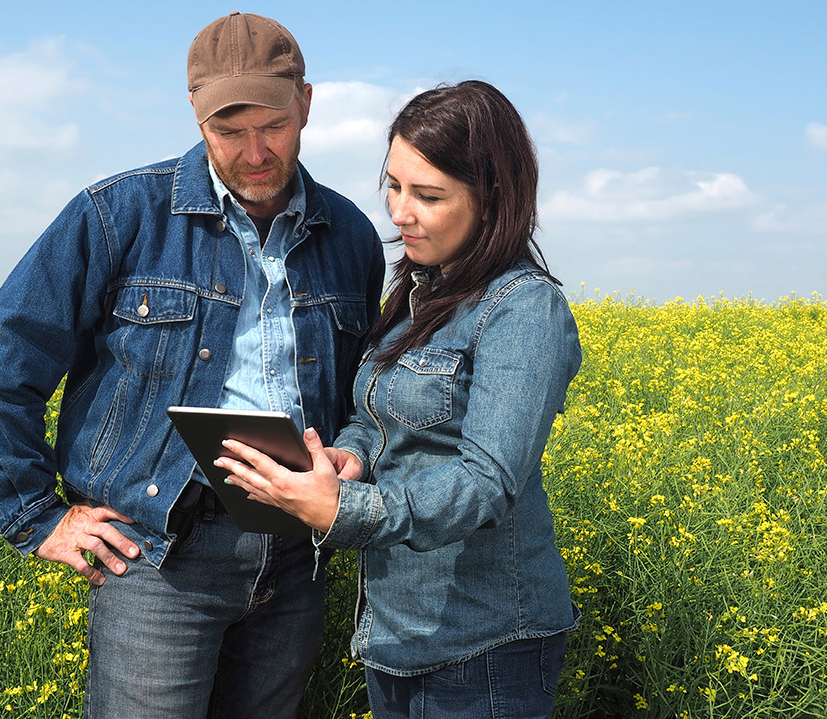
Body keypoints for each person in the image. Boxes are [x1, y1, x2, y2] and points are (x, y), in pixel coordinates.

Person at [0, 11, 385, 719]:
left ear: (305, 104)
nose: (254, 152)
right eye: (228, 130)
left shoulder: (351, 238)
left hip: (296, 556)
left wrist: (349, 454)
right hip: (159, 555)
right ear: (195, 114)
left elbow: (359, 395)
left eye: (272, 126)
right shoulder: (119, 213)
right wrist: (36, 517)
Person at [216, 80, 582, 719]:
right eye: (393, 185)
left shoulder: (523, 309)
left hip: (486, 642)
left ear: (493, 198)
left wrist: (345, 509)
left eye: (428, 196)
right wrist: (349, 458)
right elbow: (375, 416)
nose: (399, 213)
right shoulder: (418, 295)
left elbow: (487, 481)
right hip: (396, 634)